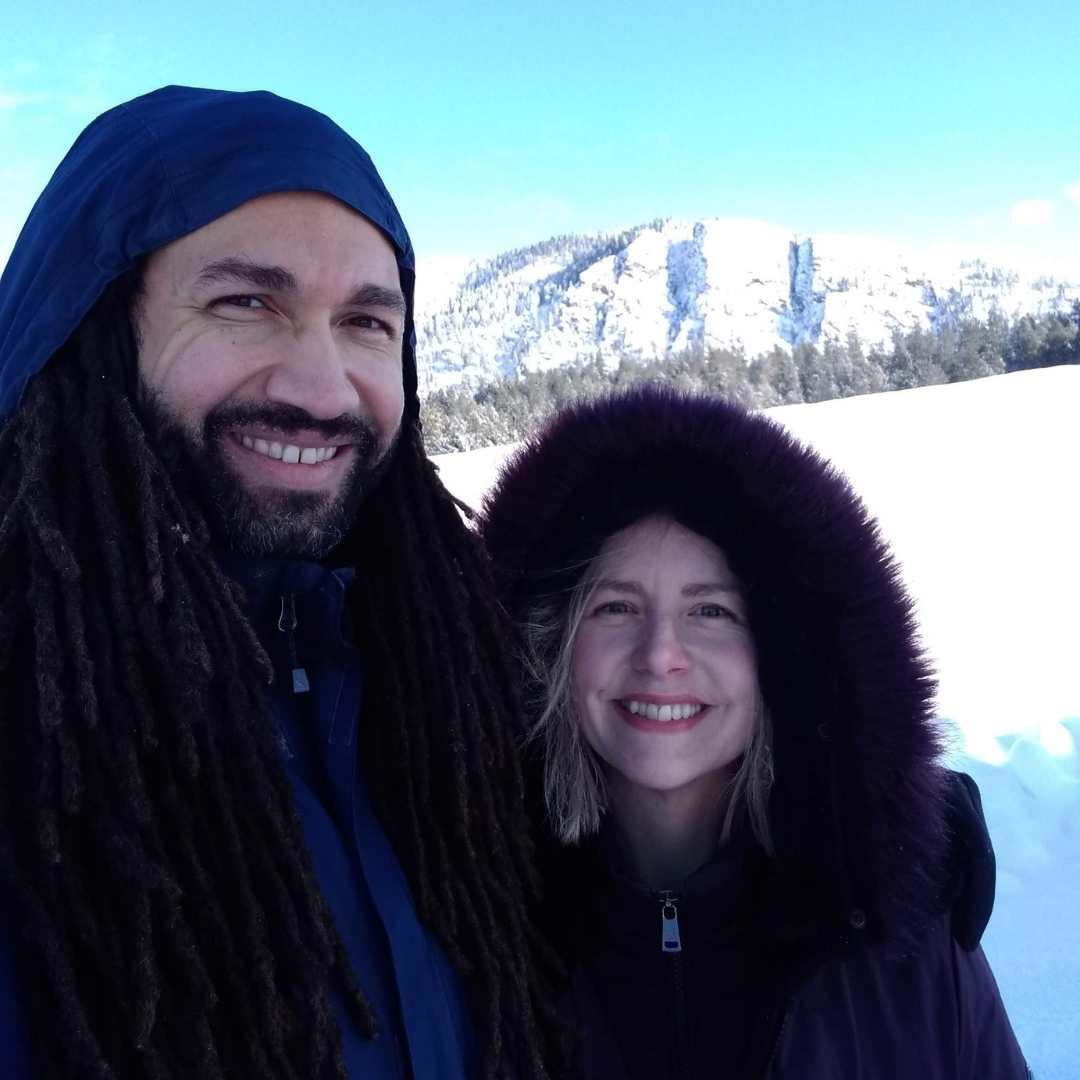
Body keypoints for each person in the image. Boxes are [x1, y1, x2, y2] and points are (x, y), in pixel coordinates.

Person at [0, 86, 561, 1080]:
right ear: (85, 332)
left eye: (364, 323)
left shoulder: (448, 692)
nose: (321, 387)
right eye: (246, 303)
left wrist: (878, 826)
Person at [479, 384, 1030, 1079]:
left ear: (785, 659)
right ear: (548, 647)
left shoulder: (905, 942)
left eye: (711, 612)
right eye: (615, 607)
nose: (660, 654)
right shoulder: (476, 947)